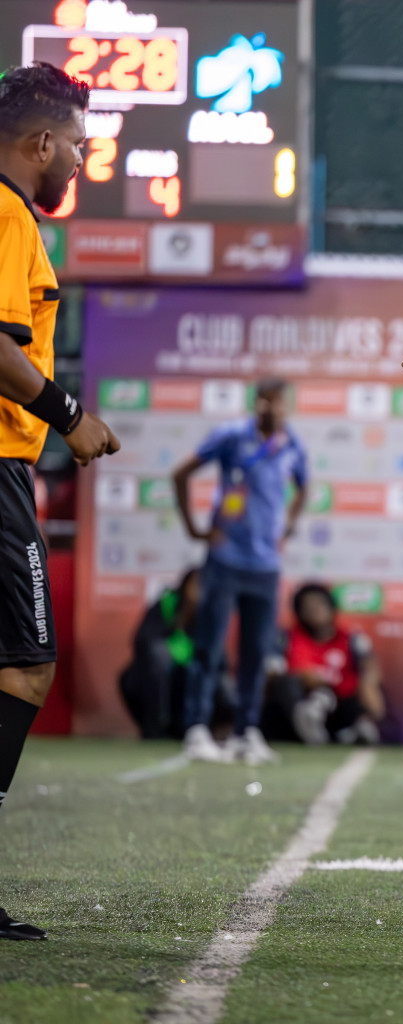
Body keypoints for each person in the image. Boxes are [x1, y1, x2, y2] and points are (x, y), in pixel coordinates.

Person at [0, 63, 119, 942]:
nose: (80, 160)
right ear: (42, 141)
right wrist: (69, 415)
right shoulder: (7, 213)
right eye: (77, 143)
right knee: (25, 664)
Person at [172, 378, 307, 766]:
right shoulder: (231, 436)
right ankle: (196, 729)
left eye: (278, 403)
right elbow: (181, 473)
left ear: (288, 406)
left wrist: (288, 528)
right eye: (264, 402)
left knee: (256, 652)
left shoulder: (292, 444)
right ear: (255, 404)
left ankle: (246, 733)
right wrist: (194, 528)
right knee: (209, 647)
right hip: (225, 558)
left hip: (266, 565)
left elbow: (303, 487)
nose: (270, 409)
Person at [264, 584, 384, 746]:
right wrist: (302, 677)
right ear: (299, 613)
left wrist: (369, 683)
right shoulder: (285, 639)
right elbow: (271, 672)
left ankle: (354, 729)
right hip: (300, 702)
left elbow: (369, 665)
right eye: (308, 607)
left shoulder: (352, 639)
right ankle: (311, 724)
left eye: (319, 604)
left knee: (366, 688)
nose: (314, 610)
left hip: (340, 702)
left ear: (331, 608)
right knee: (287, 686)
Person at [119, 568, 208, 740]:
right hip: (159, 677)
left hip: (189, 680)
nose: (199, 591)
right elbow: (143, 640)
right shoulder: (168, 603)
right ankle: (156, 726)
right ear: (185, 585)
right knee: (154, 661)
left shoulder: (210, 614)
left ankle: (197, 728)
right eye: (196, 585)